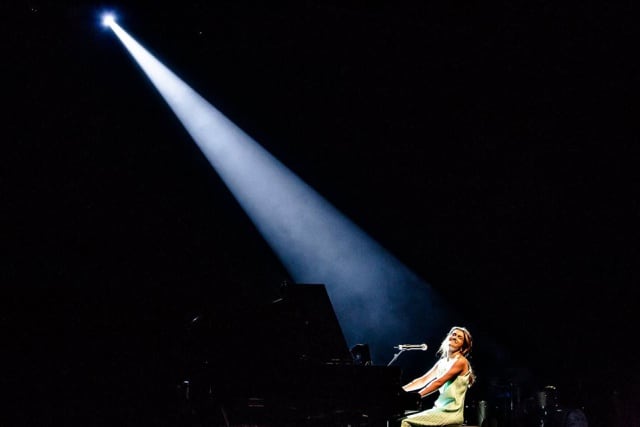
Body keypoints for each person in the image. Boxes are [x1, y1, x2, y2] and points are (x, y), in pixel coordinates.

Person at [399, 326, 475, 427]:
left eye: (459, 337)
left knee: (405, 422)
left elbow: (438, 382)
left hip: (451, 413)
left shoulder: (461, 361)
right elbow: (423, 380)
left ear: (463, 346)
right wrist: (399, 391)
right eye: (453, 334)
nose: (455, 337)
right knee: (398, 419)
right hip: (439, 409)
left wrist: (415, 397)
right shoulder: (442, 362)